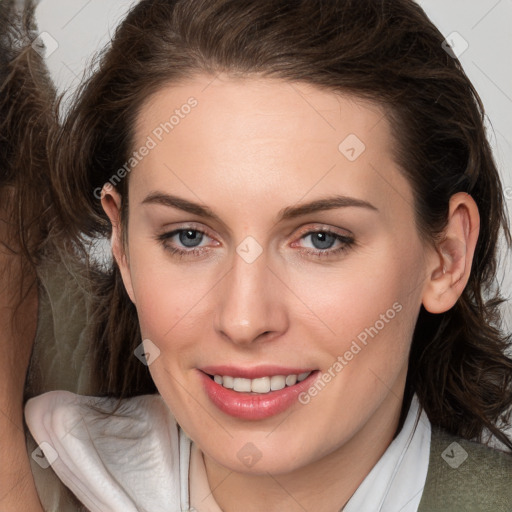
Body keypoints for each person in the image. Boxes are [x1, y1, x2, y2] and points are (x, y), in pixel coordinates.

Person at [2, 0, 512, 510]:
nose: (244, 320)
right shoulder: (39, 473)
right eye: (189, 237)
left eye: (321, 239)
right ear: (124, 248)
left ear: (446, 257)